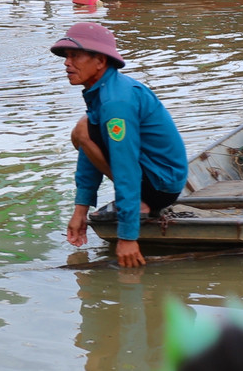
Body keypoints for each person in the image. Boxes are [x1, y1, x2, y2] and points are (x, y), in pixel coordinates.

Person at [54, 21, 188, 268]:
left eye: (75, 56)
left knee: (82, 130)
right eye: (66, 56)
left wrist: (127, 236)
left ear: (100, 62)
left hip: (160, 185)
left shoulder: (117, 102)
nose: (67, 63)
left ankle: (140, 203)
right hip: (149, 176)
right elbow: (88, 152)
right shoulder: (103, 91)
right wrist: (80, 210)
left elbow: (125, 167)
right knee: (83, 130)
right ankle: (137, 202)